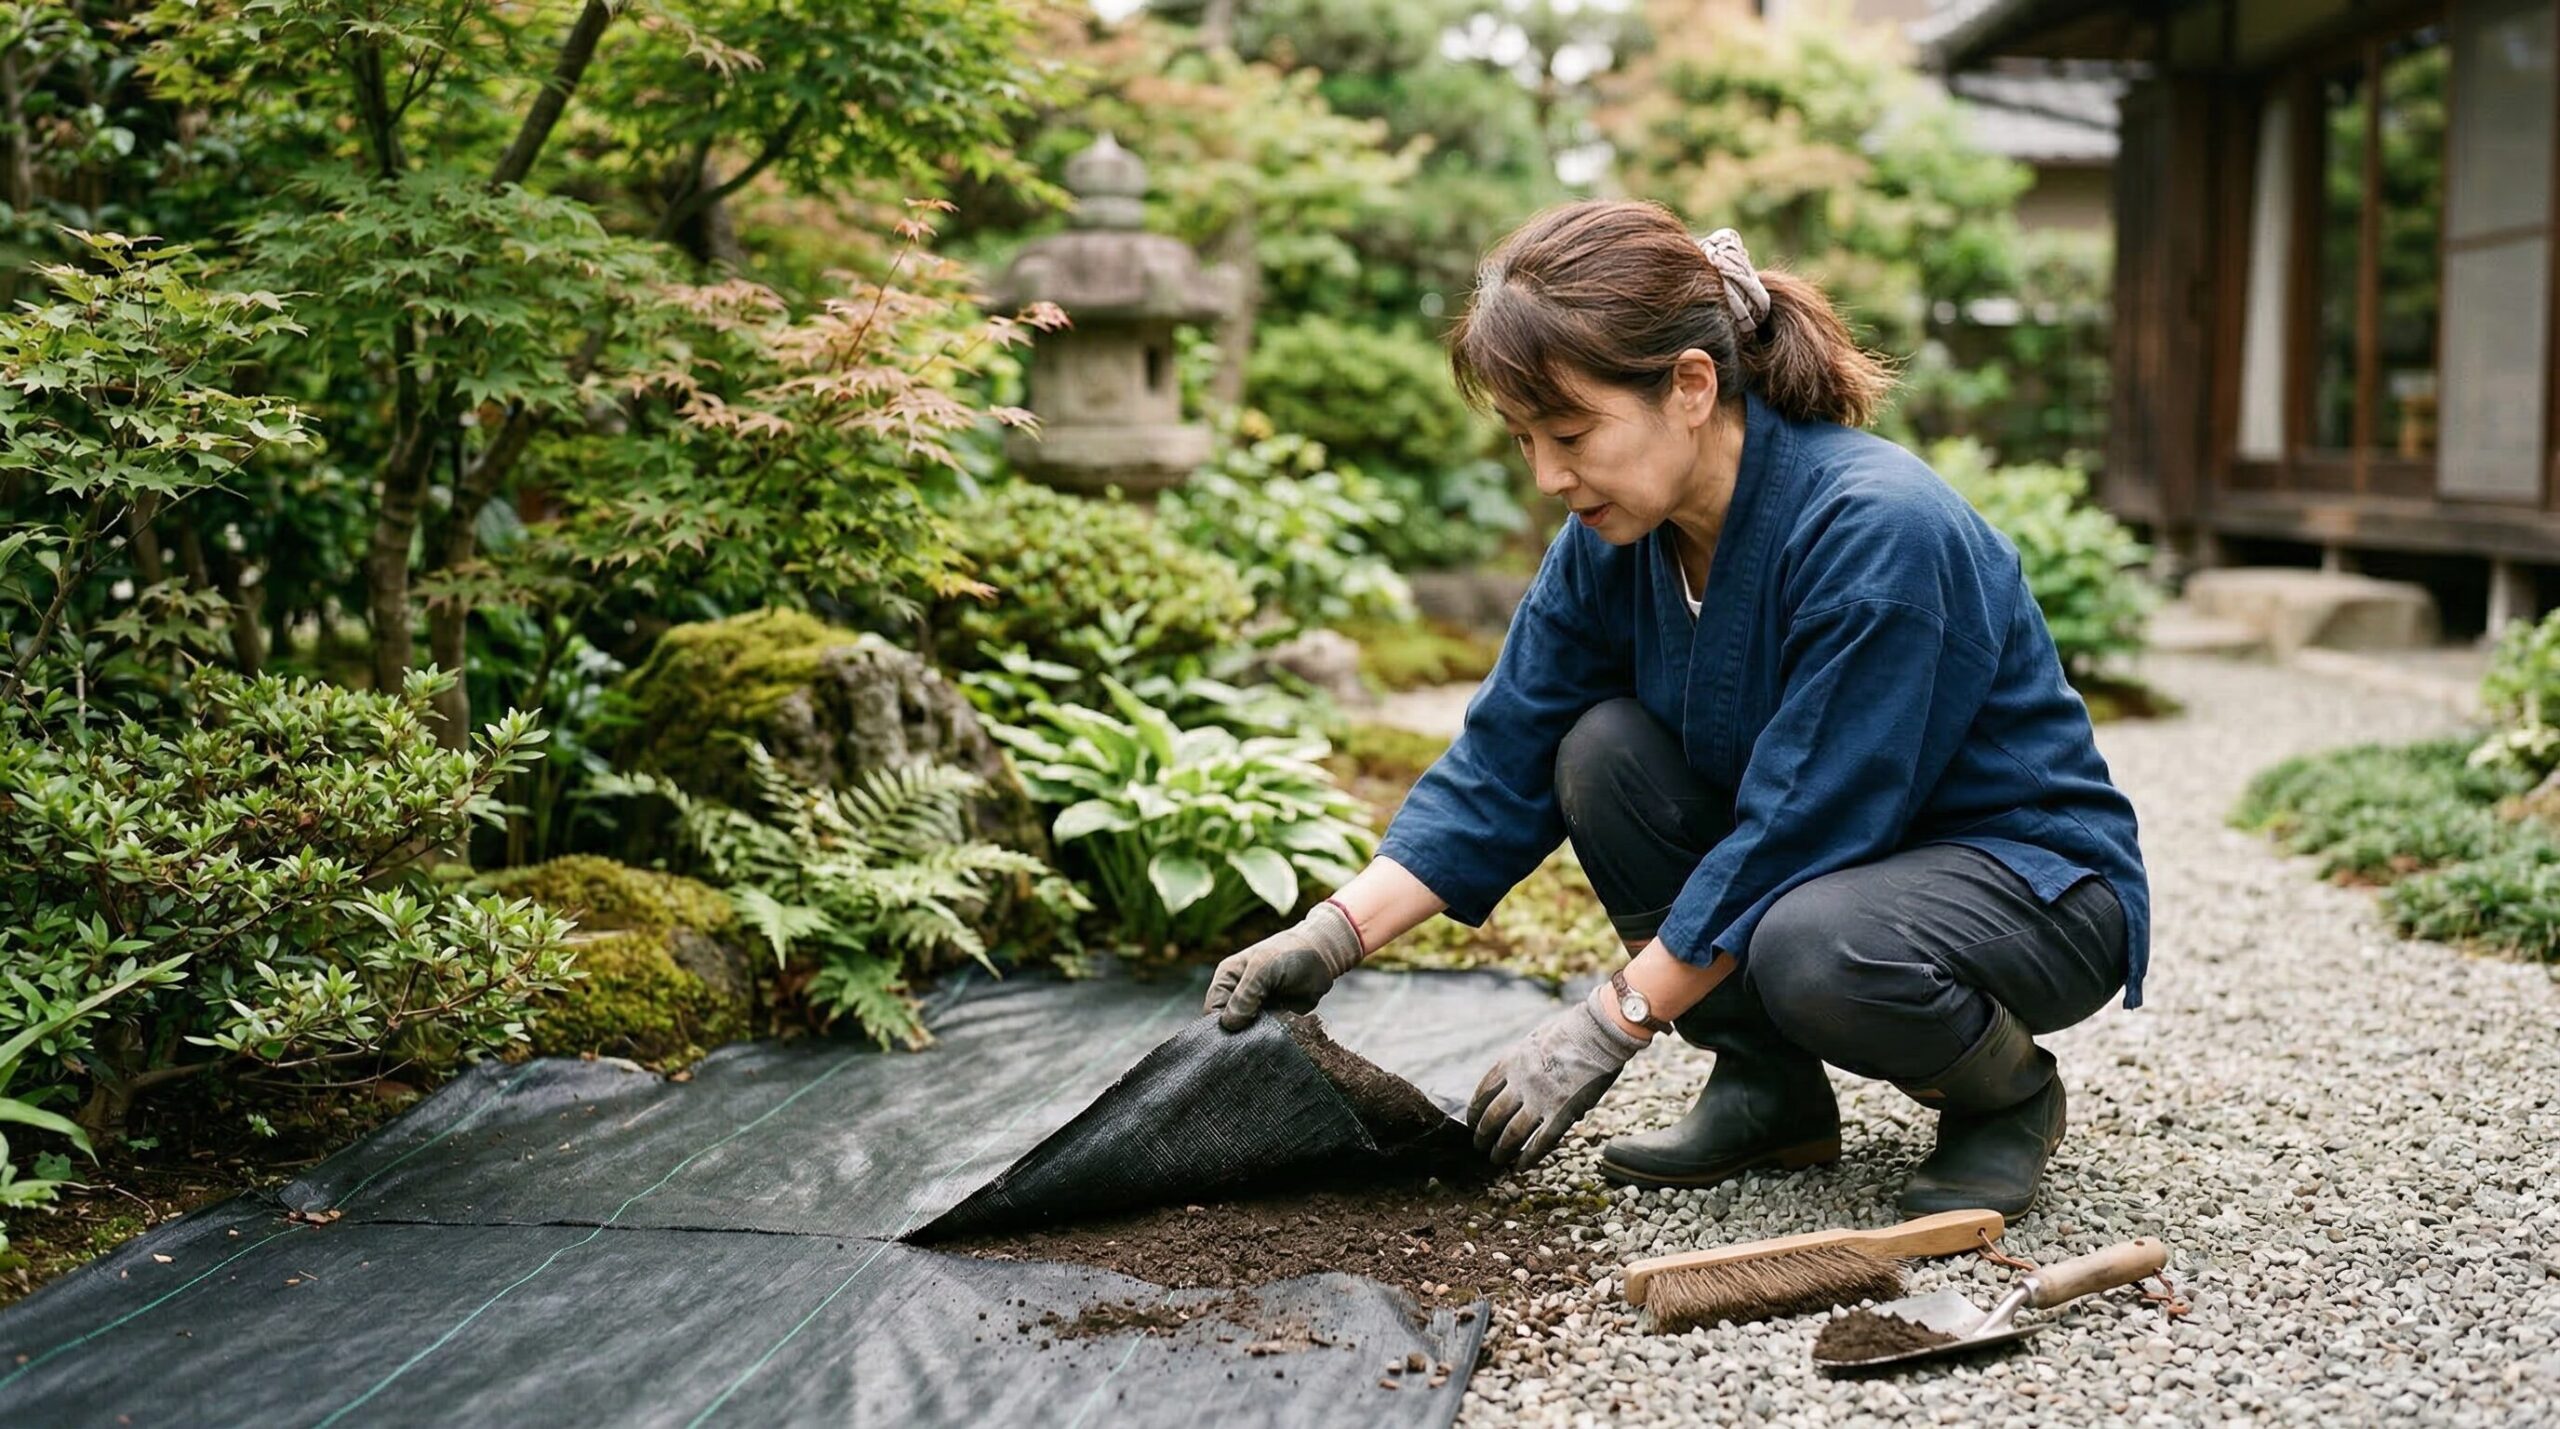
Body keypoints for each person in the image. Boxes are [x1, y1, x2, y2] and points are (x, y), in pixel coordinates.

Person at [1203, 199, 2148, 1217]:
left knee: (1813, 941)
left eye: (1569, 432)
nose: (1548, 475)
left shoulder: (1877, 532)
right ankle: (1767, 1088)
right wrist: (1332, 932)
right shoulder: (1619, 538)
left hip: (2026, 885)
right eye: (1525, 439)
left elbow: (1798, 828)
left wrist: (1608, 1023)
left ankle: (2004, 1096)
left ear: (1691, 387)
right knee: (1597, 751)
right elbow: (1503, 750)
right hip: (1827, 870)